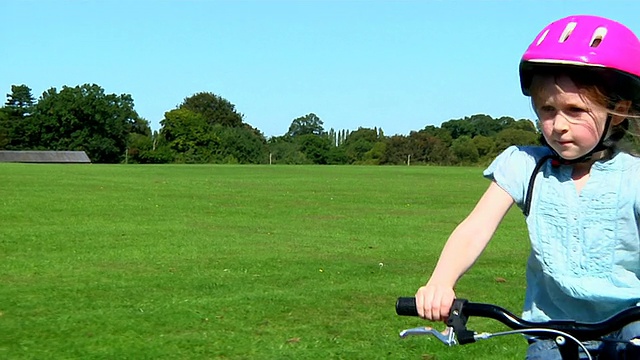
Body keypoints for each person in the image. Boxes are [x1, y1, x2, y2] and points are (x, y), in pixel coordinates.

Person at [414, 14, 640, 359]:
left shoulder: (633, 177)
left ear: (619, 111)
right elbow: (475, 228)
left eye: (575, 110)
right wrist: (441, 281)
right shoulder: (524, 165)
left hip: (629, 331)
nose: (558, 125)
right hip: (550, 332)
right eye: (547, 110)